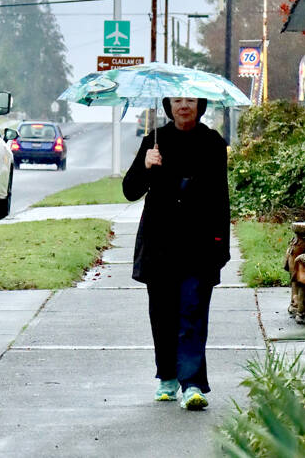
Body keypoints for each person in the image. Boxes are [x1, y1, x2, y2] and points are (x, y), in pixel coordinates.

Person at [122, 97, 231, 410]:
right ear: (169, 106)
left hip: (200, 243)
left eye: (191, 101)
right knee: (163, 313)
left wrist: (220, 245)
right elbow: (130, 190)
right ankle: (167, 377)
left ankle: (193, 384)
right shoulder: (154, 141)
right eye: (178, 101)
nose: (185, 106)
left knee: (193, 312)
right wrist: (146, 165)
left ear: (200, 105)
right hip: (160, 242)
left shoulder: (212, 142)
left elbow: (221, 197)